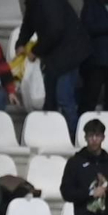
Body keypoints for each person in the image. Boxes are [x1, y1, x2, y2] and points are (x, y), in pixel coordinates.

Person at [17, 0, 89, 135]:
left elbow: (55, 30)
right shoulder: (33, 4)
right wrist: (20, 43)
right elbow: (28, 24)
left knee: (64, 97)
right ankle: (51, 134)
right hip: (54, 56)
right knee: (50, 100)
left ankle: (74, 136)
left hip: (70, 54)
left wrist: (36, 51)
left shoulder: (49, 3)